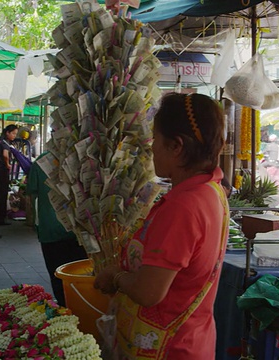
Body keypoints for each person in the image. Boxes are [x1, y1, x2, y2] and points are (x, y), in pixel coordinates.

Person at [94, 93, 229, 359]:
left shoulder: (184, 206)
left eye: (155, 139)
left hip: (169, 348)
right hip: (192, 340)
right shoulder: (210, 189)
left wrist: (116, 277)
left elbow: (148, 292)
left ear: (176, 146)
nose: (151, 147)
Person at [26, 151, 88, 306]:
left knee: (57, 277)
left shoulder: (40, 162)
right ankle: (79, 311)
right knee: (80, 277)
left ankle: (65, 312)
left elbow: (29, 195)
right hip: (79, 231)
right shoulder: (81, 157)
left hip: (50, 231)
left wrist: (32, 221)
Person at [0, 125, 18, 226]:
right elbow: (5, 155)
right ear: (7, 133)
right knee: (2, 194)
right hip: (1, 170)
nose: (14, 136)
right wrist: (7, 164)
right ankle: (0, 219)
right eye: (13, 133)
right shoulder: (5, 143)